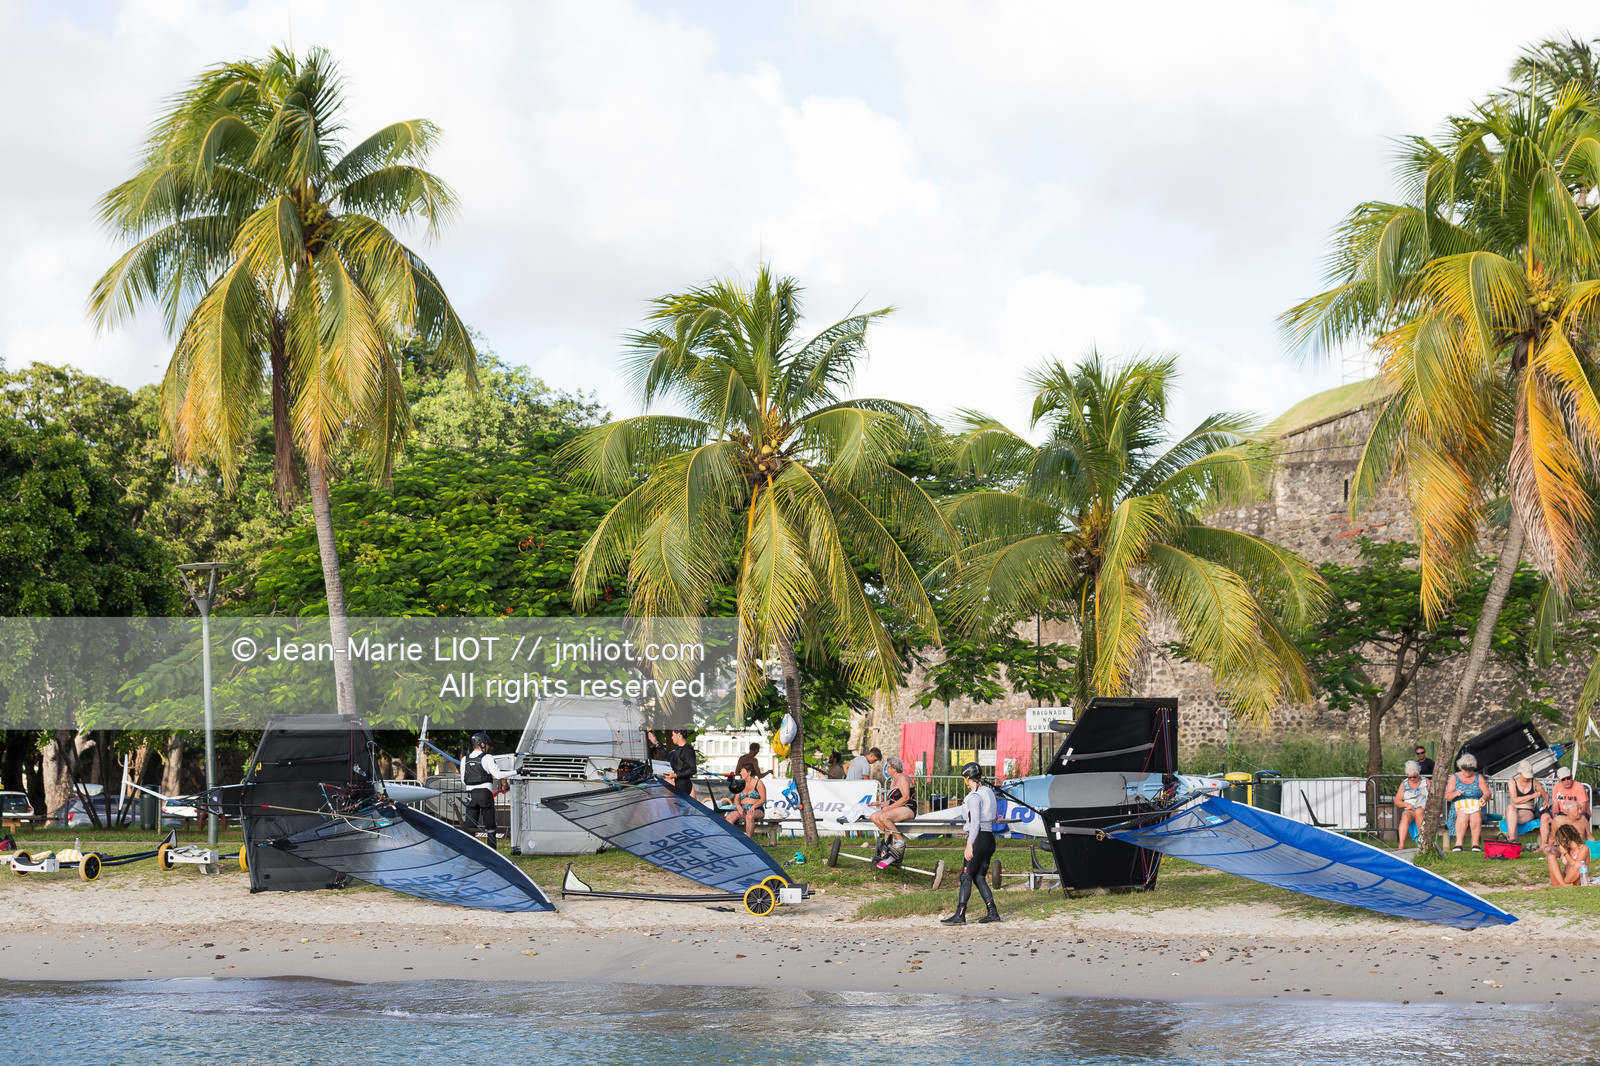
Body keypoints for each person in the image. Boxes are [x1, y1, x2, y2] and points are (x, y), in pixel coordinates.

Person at [941, 762, 1000, 925]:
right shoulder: (989, 792)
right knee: (979, 876)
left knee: (966, 875)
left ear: (968, 778)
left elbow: (975, 823)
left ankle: (960, 914)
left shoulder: (974, 796)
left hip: (978, 838)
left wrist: (970, 843)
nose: (965, 782)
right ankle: (992, 912)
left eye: (964, 779)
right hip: (989, 838)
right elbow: (995, 817)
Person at [462, 732, 514, 850]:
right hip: (484, 794)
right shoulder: (487, 757)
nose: (488, 747)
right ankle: (491, 852)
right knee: (490, 826)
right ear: (482, 744)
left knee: (470, 826)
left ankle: (470, 852)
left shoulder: (465, 759)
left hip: (471, 795)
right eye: (487, 744)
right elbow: (498, 774)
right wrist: (516, 772)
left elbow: (464, 780)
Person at [871, 756, 919, 869]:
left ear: (894, 768)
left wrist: (889, 808)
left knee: (883, 817)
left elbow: (905, 798)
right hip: (899, 807)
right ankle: (891, 840)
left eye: (888, 767)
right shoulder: (893, 781)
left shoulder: (903, 778)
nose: (886, 769)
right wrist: (879, 804)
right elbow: (892, 801)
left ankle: (900, 840)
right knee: (874, 816)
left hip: (908, 807)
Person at [1444, 752, 1489, 852]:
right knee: (1462, 814)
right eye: (1465, 769)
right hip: (1459, 807)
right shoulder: (1454, 777)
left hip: (1476, 806)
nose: (1468, 771)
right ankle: (1458, 844)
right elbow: (1447, 796)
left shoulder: (1479, 777)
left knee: (1475, 813)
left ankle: (1475, 844)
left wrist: (1484, 798)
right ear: (1461, 767)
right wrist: (1455, 794)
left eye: (1470, 769)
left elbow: (1487, 793)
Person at [1506, 760, 1551, 851]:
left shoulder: (1533, 781)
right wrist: (1532, 795)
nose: (1527, 778)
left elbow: (1544, 794)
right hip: (1514, 808)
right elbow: (1514, 800)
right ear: (1520, 773)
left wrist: (1546, 800)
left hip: (1527, 810)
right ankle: (1512, 839)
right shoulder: (1512, 782)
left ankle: (1512, 840)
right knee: (1511, 808)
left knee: (1512, 817)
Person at [1393, 761, 1428, 849]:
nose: (1412, 779)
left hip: (1423, 808)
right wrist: (1406, 804)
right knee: (1405, 815)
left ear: (1418, 773)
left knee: (1419, 811)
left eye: (1414, 777)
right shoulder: (1404, 784)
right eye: (1409, 777)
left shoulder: (1425, 781)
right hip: (1411, 809)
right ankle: (1401, 844)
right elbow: (1397, 801)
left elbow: (1433, 796)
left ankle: (1422, 840)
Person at [726, 763, 767, 837]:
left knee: (749, 816)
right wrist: (738, 807)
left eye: (742, 771)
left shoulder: (758, 783)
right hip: (743, 808)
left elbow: (763, 799)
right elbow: (736, 799)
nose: (740, 773)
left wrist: (754, 806)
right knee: (729, 817)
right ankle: (735, 839)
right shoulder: (741, 783)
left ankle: (749, 840)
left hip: (756, 809)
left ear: (749, 772)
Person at [1544, 822, 1591, 887]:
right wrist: (1549, 850)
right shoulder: (1566, 849)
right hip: (1563, 879)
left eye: (1559, 840)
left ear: (1565, 838)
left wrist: (1565, 853)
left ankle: (1562, 885)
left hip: (1575, 881)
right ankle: (1562, 884)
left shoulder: (1583, 848)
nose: (1559, 843)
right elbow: (1554, 851)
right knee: (1551, 857)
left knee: (1579, 865)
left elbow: (1576, 866)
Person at [1551, 765, 1591, 838]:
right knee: (1545, 817)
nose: (1567, 781)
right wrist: (1555, 814)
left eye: (1568, 778)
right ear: (1559, 780)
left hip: (1578, 813)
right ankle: (1545, 844)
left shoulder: (1579, 787)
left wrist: (1570, 816)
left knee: (1575, 820)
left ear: (1572, 777)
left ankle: (1577, 843)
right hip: (1563, 812)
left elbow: (1583, 809)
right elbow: (1555, 805)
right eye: (1563, 779)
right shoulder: (1556, 787)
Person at [665, 728, 698, 802]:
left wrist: (676, 775)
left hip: (685, 785)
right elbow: (667, 755)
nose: (672, 737)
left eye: (673, 735)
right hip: (679, 784)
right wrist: (657, 743)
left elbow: (693, 769)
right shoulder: (677, 749)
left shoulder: (687, 749)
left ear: (679, 735)